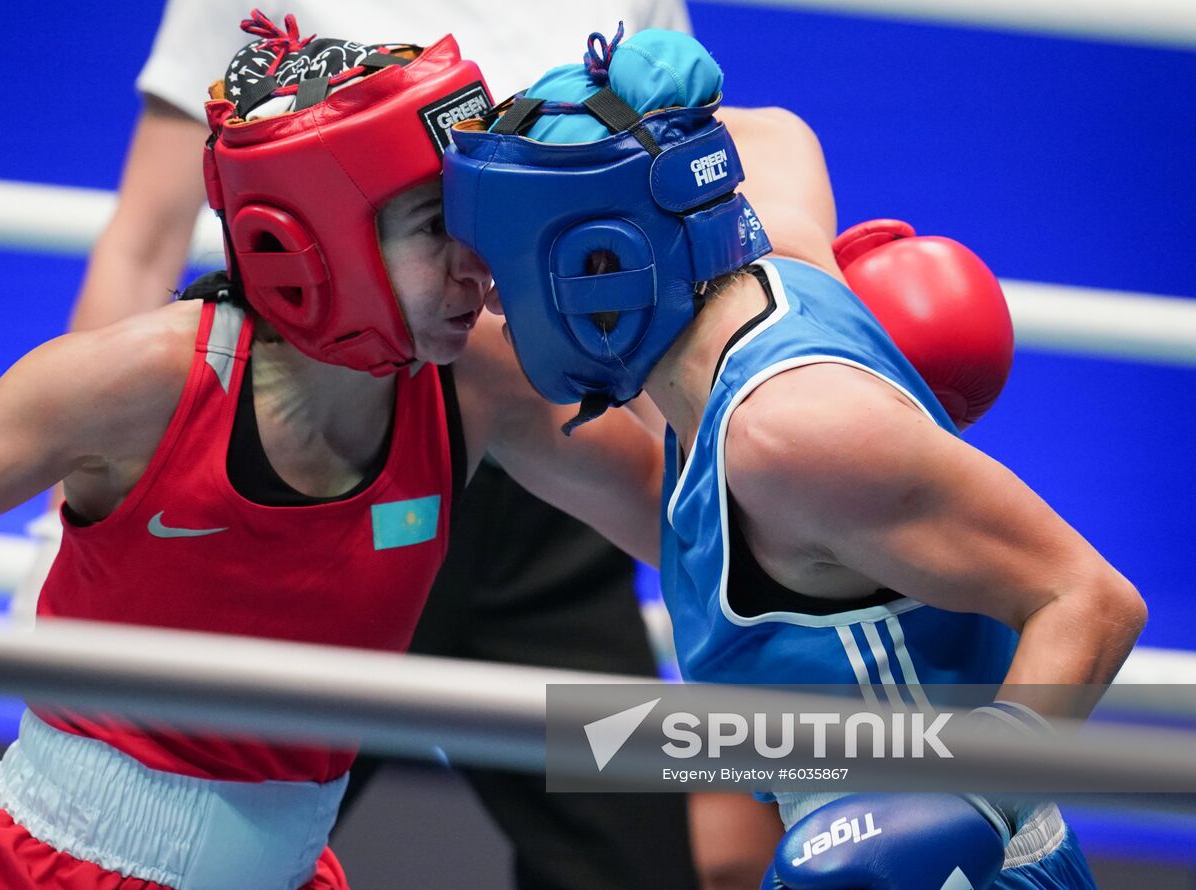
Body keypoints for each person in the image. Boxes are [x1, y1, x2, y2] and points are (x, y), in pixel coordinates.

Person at [0, 19, 675, 889]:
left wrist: (720, 324)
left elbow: (690, 534)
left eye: (474, 224)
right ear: (319, 238)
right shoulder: (143, 380)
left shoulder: (477, 380)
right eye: (433, 227)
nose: (474, 269)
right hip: (45, 872)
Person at [41, 1, 780, 887]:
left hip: (539, 482)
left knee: (627, 867)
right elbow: (144, 238)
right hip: (325, 500)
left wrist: (740, 671)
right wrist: (77, 512)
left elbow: (667, 257)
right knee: (231, 835)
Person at [444, 25, 1145, 889]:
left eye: (509, 274)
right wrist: (606, 112)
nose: (497, 308)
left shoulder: (793, 434)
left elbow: (1093, 598)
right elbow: (770, 129)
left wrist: (976, 800)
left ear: (601, 264)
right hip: (829, 826)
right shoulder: (761, 251)